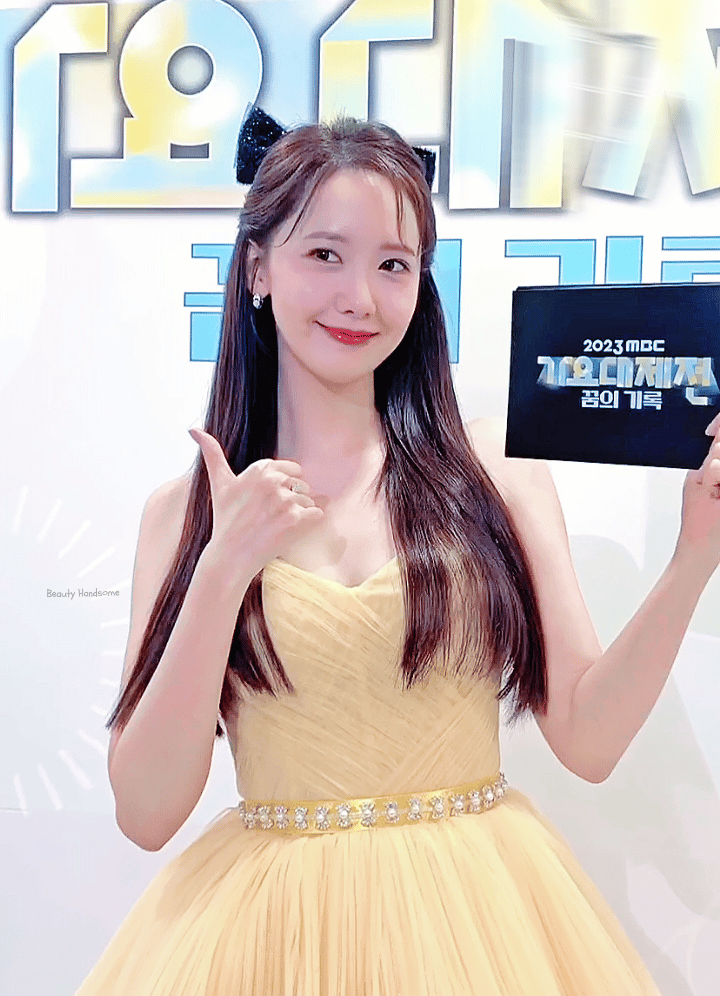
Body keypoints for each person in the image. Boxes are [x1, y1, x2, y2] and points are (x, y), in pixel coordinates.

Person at [74, 110, 720, 996]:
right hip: (272, 939)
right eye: (324, 254)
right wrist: (223, 568)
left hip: (480, 926)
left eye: (393, 264)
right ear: (257, 267)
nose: (360, 299)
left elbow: (590, 740)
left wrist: (694, 557)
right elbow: (147, 813)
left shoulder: (495, 472)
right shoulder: (182, 516)